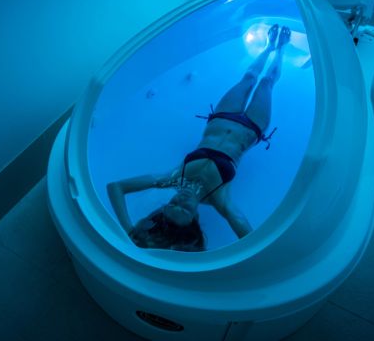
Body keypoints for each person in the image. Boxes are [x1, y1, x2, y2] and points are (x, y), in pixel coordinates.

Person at [107, 24, 291, 252]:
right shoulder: (219, 200)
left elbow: (116, 187)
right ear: (195, 217)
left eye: (172, 203)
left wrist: (129, 231)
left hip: (222, 116)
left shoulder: (173, 179)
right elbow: (250, 239)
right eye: (184, 209)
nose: (180, 200)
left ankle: (268, 47)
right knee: (267, 83)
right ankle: (281, 49)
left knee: (250, 76)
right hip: (252, 128)